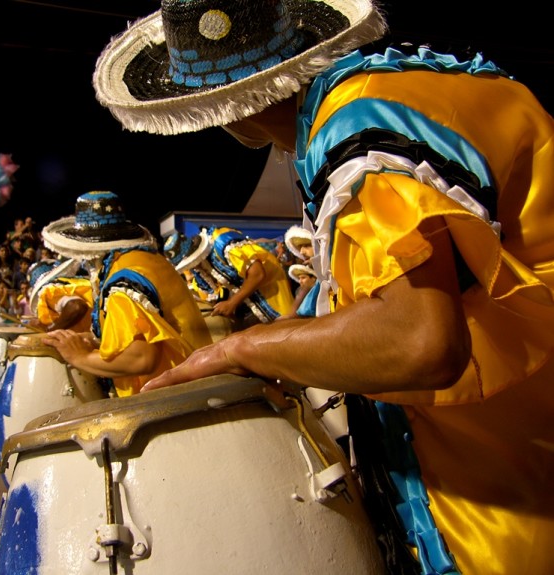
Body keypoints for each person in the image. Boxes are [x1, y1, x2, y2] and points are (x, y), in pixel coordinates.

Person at [93, 2, 554, 574]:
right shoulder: (409, 83)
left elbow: (420, 339)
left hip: (504, 484)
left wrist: (245, 347)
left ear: (226, 118)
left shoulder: (356, 131)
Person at [41, 190, 213, 397]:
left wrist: (79, 357)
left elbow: (141, 358)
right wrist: (95, 341)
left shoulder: (123, 281)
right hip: (198, 380)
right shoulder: (144, 260)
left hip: (175, 397)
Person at [164, 227, 294, 327]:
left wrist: (232, 302)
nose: (193, 266)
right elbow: (215, 294)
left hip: (271, 292)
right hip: (250, 307)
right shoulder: (198, 267)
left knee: (285, 333)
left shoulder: (223, 242)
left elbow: (257, 274)